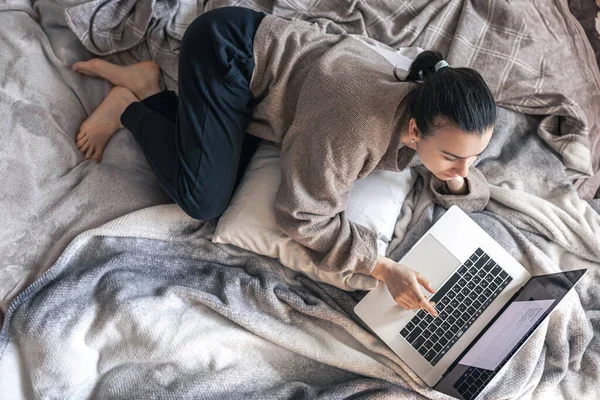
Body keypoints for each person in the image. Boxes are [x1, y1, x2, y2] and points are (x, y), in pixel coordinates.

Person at [72, 6, 496, 317]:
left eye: (474, 156)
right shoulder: (353, 128)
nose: (464, 167)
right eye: (453, 158)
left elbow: (458, 165)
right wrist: (382, 267)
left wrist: (456, 178)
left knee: (221, 172)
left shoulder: (430, 108)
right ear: (416, 131)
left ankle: (149, 85)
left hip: (272, 78)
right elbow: (300, 215)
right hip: (225, 53)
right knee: (203, 200)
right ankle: (128, 105)